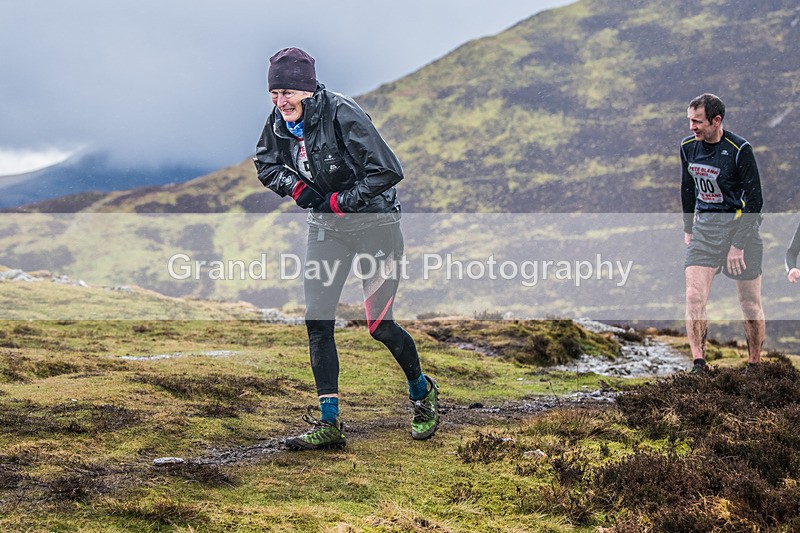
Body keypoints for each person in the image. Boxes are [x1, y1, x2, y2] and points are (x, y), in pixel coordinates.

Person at [253, 47, 439, 450]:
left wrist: (342, 202)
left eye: (287, 93)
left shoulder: (341, 112)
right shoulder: (279, 122)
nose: (280, 101)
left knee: (379, 326)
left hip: (375, 226)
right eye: (274, 94)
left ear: (307, 89)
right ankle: (330, 423)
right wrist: (296, 188)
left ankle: (422, 392)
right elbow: (266, 164)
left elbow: (388, 170)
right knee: (317, 322)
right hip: (326, 230)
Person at [680, 93, 765, 374]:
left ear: (716, 121)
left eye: (698, 121)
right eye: (690, 120)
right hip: (705, 231)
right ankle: (699, 365)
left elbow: (755, 201)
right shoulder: (687, 147)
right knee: (694, 297)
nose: (692, 127)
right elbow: (687, 188)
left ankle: (754, 366)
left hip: (740, 229)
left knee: (749, 304)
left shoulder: (740, 150)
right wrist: (689, 229)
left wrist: (738, 244)